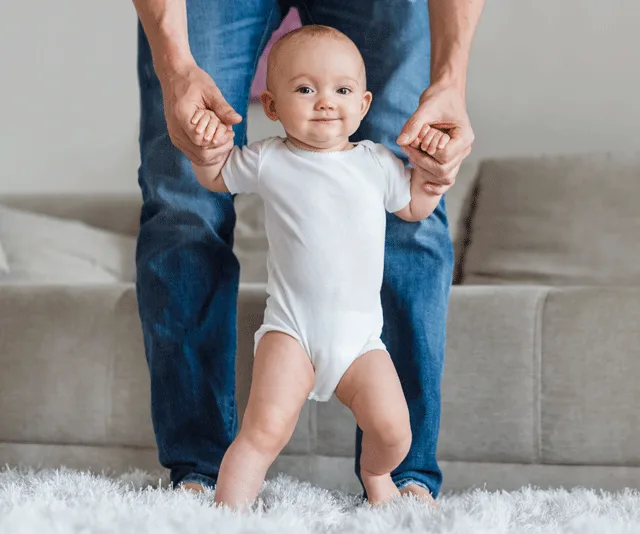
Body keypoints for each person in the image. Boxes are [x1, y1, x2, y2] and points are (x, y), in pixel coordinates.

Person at [132, 0, 483, 505]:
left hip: (361, 340)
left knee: (395, 431)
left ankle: (392, 477)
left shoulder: (378, 163)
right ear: (272, 107)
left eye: (342, 91)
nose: (324, 102)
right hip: (290, 332)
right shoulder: (268, 159)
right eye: (304, 90)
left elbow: (414, 207)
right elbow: (211, 179)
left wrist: (433, 173)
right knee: (182, 205)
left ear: (362, 103)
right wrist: (203, 141)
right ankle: (210, 493)